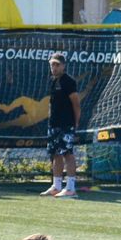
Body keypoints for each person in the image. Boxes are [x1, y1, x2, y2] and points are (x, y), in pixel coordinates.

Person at [42, 53, 81, 198]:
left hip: (66, 124)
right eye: (52, 64)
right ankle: (56, 186)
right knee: (55, 154)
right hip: (54, 124)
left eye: (57, 64)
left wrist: (75, 123)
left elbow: (76, 104)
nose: (54, 67)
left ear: (63, 66)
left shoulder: (68, 81)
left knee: (67, 153)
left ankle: (70, 188)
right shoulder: (53, 81)